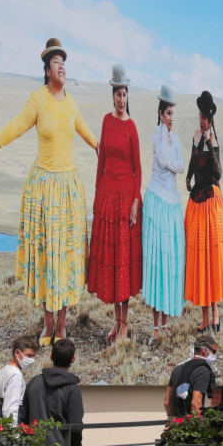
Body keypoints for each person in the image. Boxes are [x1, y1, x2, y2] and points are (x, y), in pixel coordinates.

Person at [0, 38, 98, 345]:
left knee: (66, 258)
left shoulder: (71, 102)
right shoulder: (38, 99)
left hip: (68, 189)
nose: (62, 66)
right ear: (47, 70)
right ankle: (47, 325)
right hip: (44, 189)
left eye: (64, 62)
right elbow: (19, 124)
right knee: (48, 257)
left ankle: (62, 326)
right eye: (56, 62)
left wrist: (104, 149)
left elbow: (85, 130)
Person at [87, 64, 143, 341]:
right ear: (112, 95)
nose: (121, 99)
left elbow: (138, 168)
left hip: (125, 199)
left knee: (123, 263)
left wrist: (135, 201)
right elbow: (102, 161)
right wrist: (97, 195)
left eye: (124, 94)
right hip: (108, 197)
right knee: (111, 262)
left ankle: (124, 325)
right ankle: (117, 322)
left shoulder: (131, 126)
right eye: (117, 93)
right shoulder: (106, 122)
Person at [184, 90, 223, 333]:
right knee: (200, 260)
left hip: (210, 204)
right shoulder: (195, 136)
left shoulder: (213, 140)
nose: (201, 121)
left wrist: (211, 143)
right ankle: (204, 317)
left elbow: (218, 173)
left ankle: (215, 313)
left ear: (210, 120)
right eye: (200, 116)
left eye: (204, 118)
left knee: (210, 261)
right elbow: (193, 161)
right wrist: (188, 177)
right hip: (197, 203)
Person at [142, 85, 186, 342]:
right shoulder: (157, 134)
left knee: (170, 261)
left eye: (172, 113)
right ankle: (155, 324)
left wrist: (172, 165)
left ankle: (166, 322)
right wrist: (172, 165)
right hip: (157, 200)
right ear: (161, 114)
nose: (171, 117)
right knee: (157, 260)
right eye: (168, 113)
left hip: (171, 203)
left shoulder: (176, 139)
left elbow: (181, 166)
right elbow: (162, 160)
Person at [164, 336, 217, 446]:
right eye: (214, 352)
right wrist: (201, 431)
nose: (214, 356)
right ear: (205, 350)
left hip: (177, 430)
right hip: (192, 430)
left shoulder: (178, 369)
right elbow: (196, 403)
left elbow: (167, 402)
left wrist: (175, 423)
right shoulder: (202, 370)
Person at [0, 335, 38, 425]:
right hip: (10, 431)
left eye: (33, 356)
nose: (32, 360)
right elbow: (11, 408)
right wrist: (13, 435)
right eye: (29, 355)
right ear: (17, 352)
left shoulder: (4, 370)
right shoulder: (15, 374)